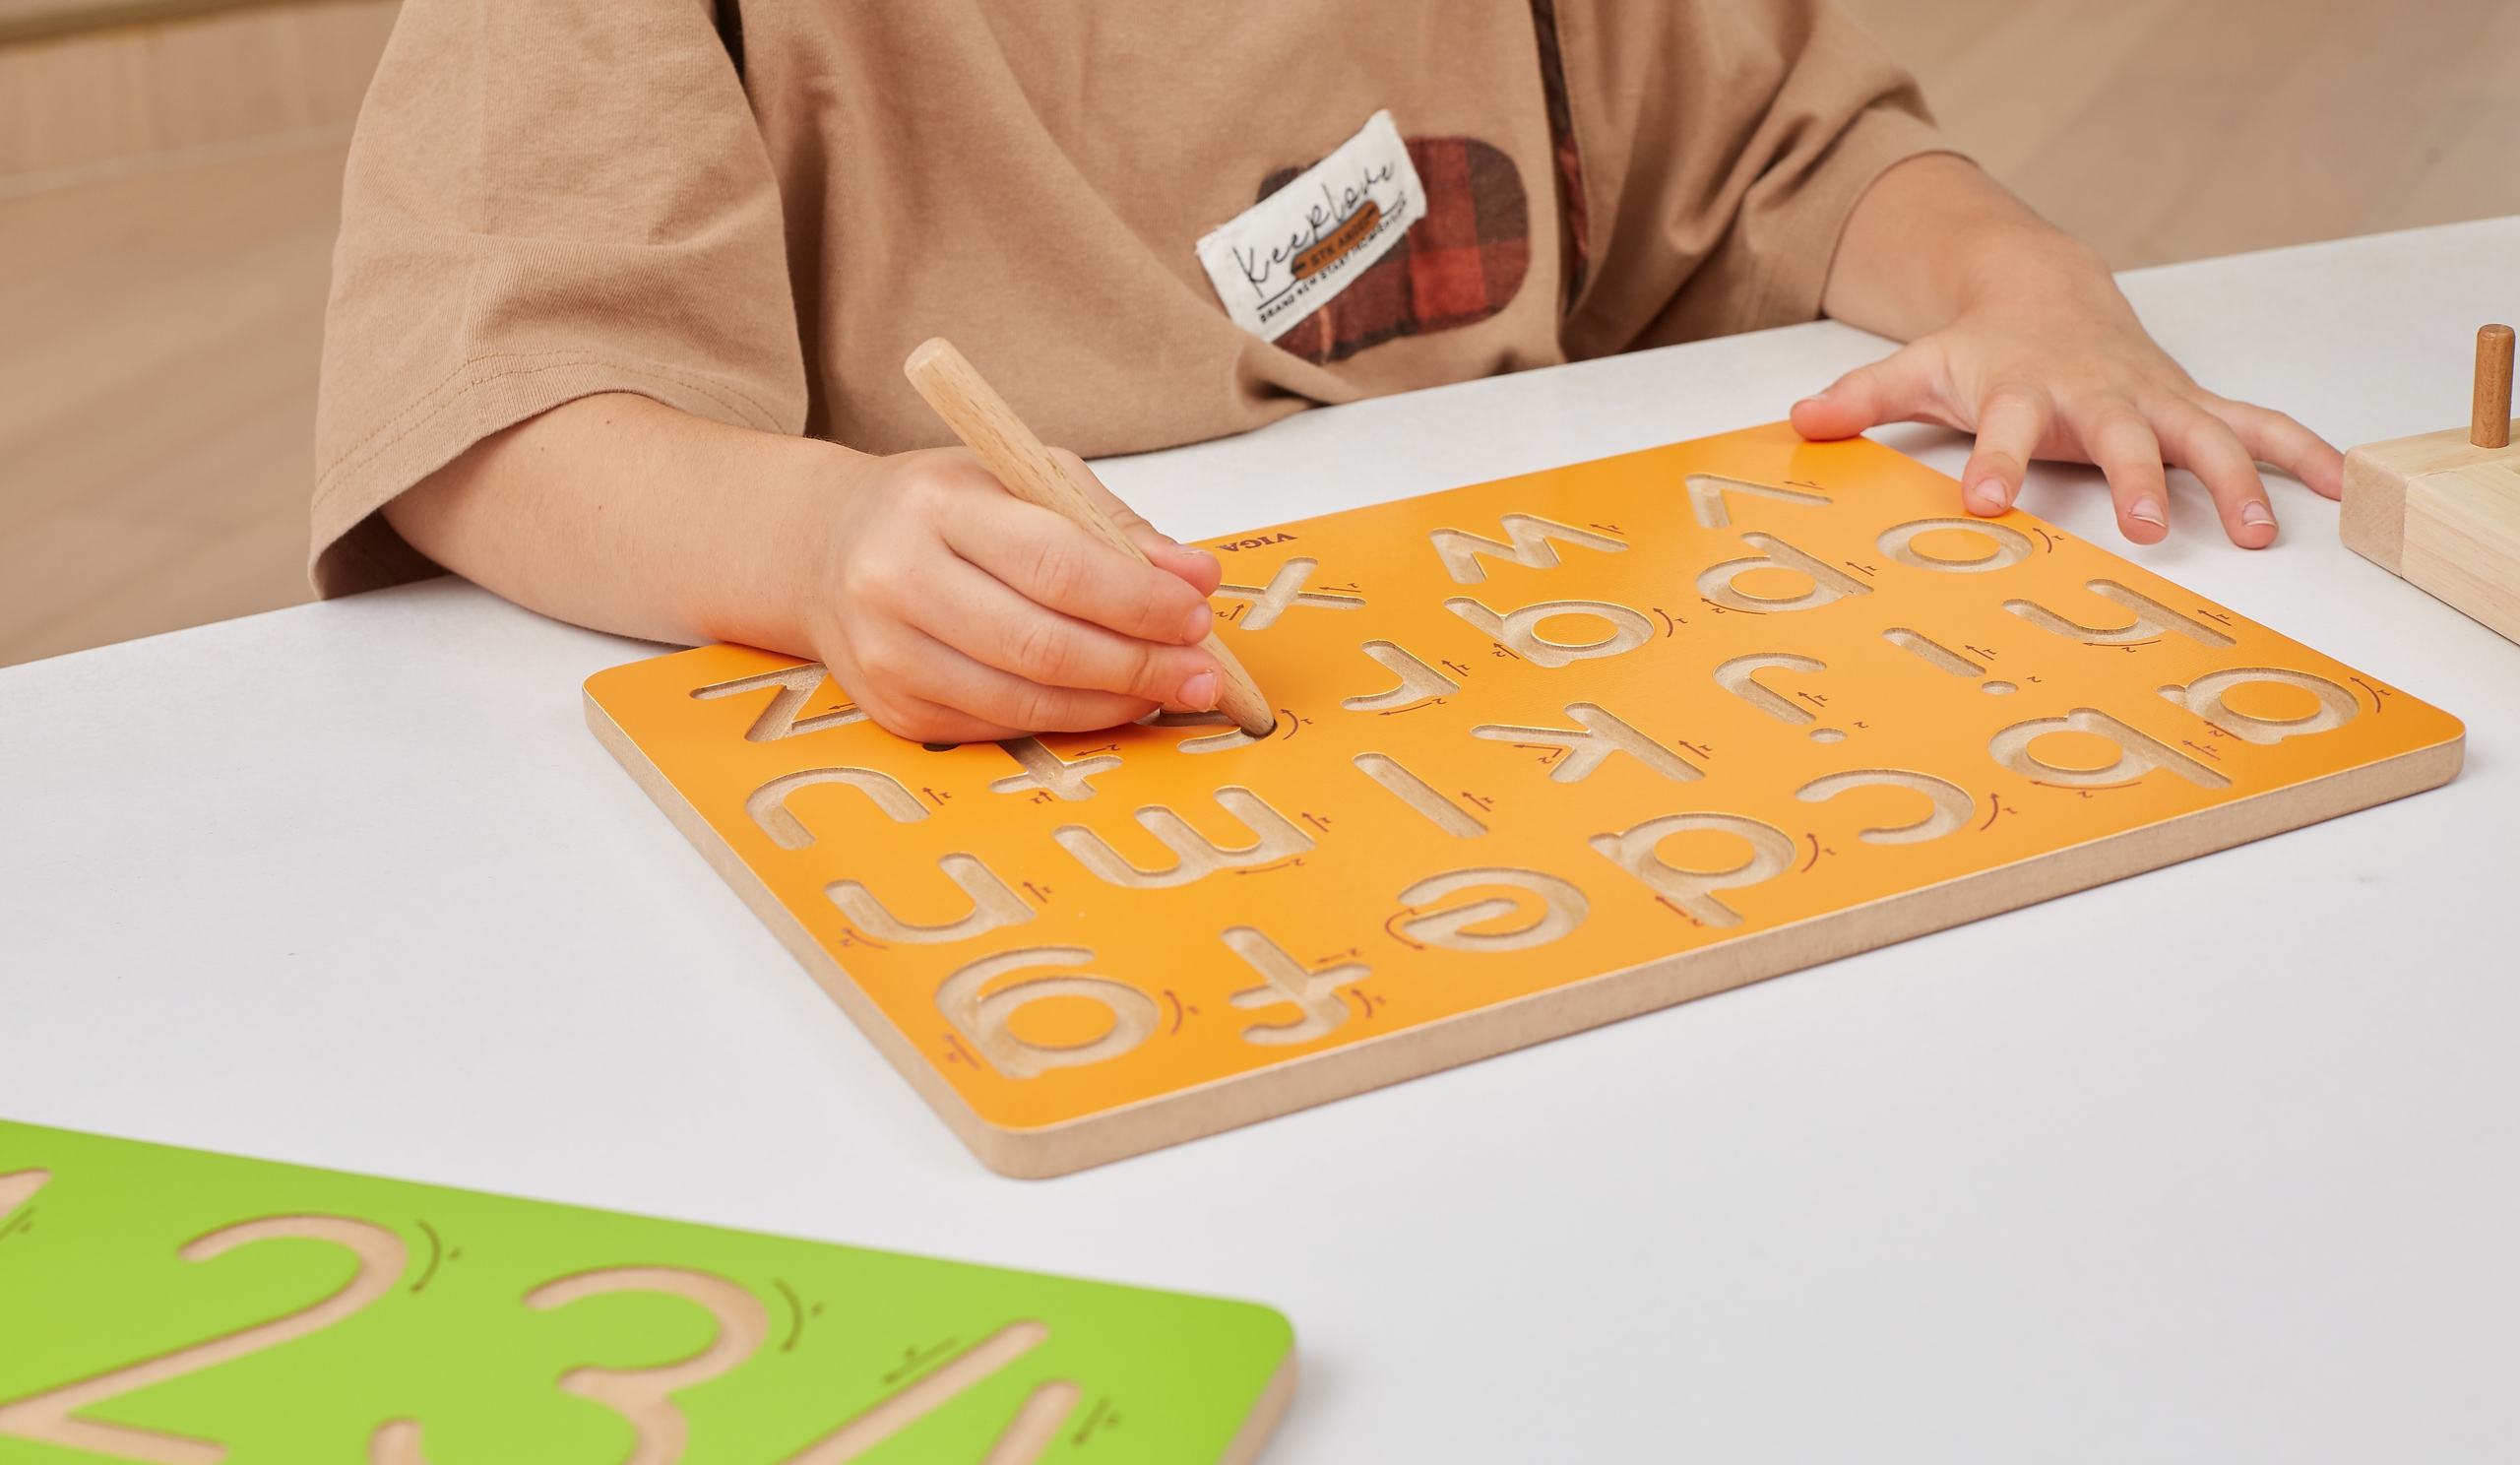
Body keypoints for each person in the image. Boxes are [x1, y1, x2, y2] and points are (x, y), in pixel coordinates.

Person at [313, 0, 2341, 743]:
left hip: (1512, 732)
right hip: (1000, 763)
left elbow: (1779, 160)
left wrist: (2021, 279)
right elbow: (496, 417)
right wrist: (814, 544)